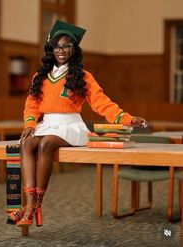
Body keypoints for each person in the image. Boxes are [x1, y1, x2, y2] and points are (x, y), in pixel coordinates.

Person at [10, 20, 148, 227]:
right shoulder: (40, 75)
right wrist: (30, 124)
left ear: (74, 49)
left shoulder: (83, 76)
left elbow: (102, 103)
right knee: (27, 144)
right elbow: (31, 104)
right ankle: (29, 205)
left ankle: (37, 204)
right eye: (57, 46)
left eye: (67, 46)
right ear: (51, 49)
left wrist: (127, 118)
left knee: (46, 144)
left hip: (70, 126)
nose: (62, 50)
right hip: (46, 123)